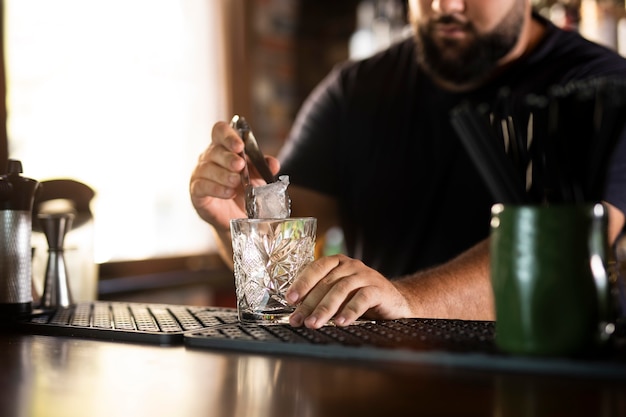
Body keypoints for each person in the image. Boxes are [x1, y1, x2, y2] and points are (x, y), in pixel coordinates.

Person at [190, 0, 626, 329]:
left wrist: (407, 300)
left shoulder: (601, 90)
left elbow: (564, 250)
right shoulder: (354, 91)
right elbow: (289, 273)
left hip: (548, 383)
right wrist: (235, 222)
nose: (444, 6)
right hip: (383, 379)